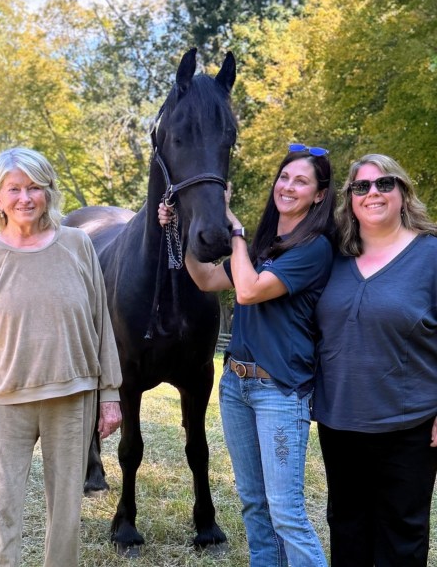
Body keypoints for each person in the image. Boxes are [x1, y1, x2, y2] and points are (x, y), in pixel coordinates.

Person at [159, 143, 335, 566]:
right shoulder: (262, 246)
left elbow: (250, 290)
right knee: (254, 503)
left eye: (301, 181)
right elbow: (202, 278)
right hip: (237, 386)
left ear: (319, 195)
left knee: (286, 512)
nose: (288, 186)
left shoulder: (314, 248)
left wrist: (233, 227)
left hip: (279, 389)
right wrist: (179, 225)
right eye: (285, 177)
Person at [0, 147, 123, 567]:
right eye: (14, 188)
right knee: (1, 507)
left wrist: (110, 394)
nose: (26, 197)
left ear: (49, 192)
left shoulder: (78, 244)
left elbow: (100, 321)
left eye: (35, 187)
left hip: (72, 396)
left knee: (66, 509)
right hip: (6, 399)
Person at [313, 154, 437, 567]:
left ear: (403, 193)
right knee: (347, 532)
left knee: (401, 538)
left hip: (410, 426)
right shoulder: (333, 256)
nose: (373, 194)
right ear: (349, 200)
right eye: (361, 187)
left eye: (385, 184)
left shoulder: (431, 254)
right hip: (340, 422)